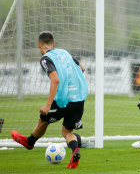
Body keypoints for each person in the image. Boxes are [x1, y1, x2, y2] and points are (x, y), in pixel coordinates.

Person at [11, 31, 88, 168]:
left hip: (64, 100)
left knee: (43, 120)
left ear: (39, 45)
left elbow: (55, 80)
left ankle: (29, 142)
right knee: (67, 132)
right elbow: (81, 68)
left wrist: (48, 105)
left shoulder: (46, 59)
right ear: (53, 44)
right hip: (79, 97)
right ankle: (75, 151)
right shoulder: (64, 52)